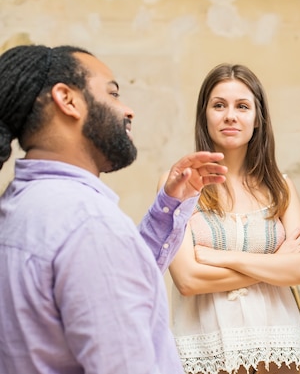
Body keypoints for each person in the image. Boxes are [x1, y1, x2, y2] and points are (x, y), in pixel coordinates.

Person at [0, 45, 228, 374]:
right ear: (67, 100)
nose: (128, 110)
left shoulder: (20, 204)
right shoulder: (88, 224)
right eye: (113, 93)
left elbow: (111, 284)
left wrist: (169, 205)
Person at [166, 63, 300, 374]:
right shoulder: (179, 184)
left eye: (242, 106)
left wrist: (217, 257)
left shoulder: (281, 186)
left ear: (258, 119)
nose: (230, 116)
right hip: (206, 347)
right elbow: (188, 280)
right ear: (204, 115)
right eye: (219, 105)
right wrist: (276, 265)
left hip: (277, 346)